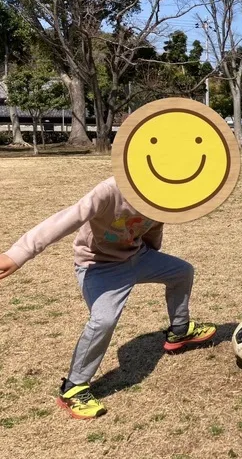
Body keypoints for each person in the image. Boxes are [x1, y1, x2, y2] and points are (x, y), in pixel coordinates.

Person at [0, 177, 216, 419]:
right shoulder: (110, 190)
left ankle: (180, 329)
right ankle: (73, 388)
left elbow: (152, 228)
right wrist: (18, 254)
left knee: (182, 272)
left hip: (138, 257)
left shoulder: (164, 197)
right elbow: (66, 219)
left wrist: (152, 254)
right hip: (99, 266)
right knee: (103, 320)